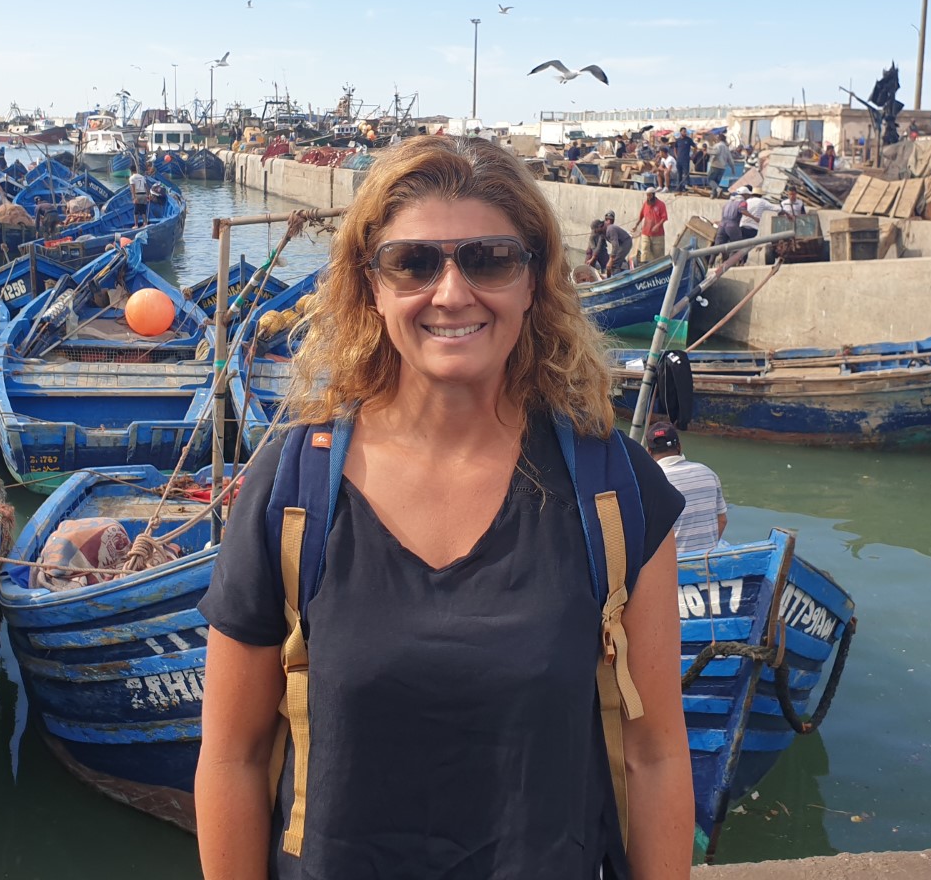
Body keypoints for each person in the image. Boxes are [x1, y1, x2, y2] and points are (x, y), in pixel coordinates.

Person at [194, 135, 695, 880]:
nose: (452, 293)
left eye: (489, 259)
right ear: (372, 286)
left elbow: (655, 757)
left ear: (533, 281)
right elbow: (233, 758)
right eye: (414, 263)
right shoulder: (292, 486)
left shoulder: (610, 488)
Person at [646, 421, 726, 554]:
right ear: (679, 447)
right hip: (707, 562)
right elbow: (722, 520)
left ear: (648, 452)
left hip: (672, 567)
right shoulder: (708, 472)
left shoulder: (650, 481)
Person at [635, 187, 668, 265]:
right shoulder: (645, 204)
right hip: (646, 232)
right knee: (644, 250)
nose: (648, 197)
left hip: (658, 235)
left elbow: (664, 218)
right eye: (647, 195)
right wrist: (636, 225)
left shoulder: (661, 204)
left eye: (650, 195)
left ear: (653, 195)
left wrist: (657, 226)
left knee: (658, 254)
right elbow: (641, 215)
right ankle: (643, 266)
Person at [603, 210, 633, 275]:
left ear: (608, 221)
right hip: (623, 244)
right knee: (616, 259)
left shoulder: (610, 229)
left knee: (614, 264)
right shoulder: (609, 229)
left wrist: (611, 260)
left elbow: (615, 246)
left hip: (626, 243)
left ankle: (616, 279)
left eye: (605, 220)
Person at [708, 133, 732, 198]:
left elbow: (715, 152)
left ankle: (718, 189)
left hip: (715, 165)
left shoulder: (718, 145)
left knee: (710, 180)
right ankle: (713, 195)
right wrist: (732, 168)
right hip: (723, 167)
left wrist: (708, 150)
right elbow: (730, 159)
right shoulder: (726, 148)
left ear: (719, 138)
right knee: (716, 182)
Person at [672, 127, 693, 192]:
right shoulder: (678, 140)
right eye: (683, 131)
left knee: (686, 173)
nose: (685, 132)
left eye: (685, 131)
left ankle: (686, 187)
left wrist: (692, 155)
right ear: (680, 132)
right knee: (679, 174)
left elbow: (695, 147)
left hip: (686, 159)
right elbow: (675, 148)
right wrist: (676, 155)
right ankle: (679, 187)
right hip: (679, 159)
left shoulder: (689, 140)